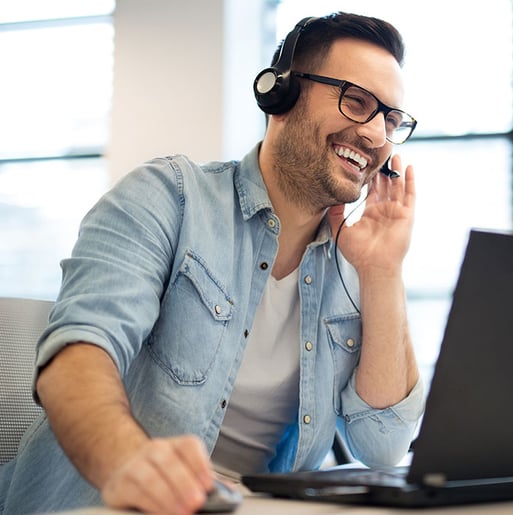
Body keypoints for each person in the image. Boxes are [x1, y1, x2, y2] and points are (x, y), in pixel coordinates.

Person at [0, 12, 424, 515]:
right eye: (357, 102)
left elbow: (383, 447)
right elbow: (78, 353)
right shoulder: (168, 198)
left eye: (392, 120)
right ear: (280, 94)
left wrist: (382, 273)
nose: (377, 134)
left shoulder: (356, 264)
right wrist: (126, 463)